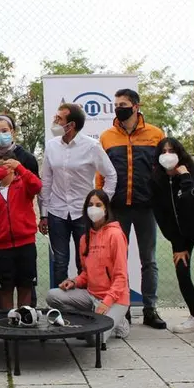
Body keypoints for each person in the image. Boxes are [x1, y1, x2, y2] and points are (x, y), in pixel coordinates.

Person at [98, 89, 167, 329]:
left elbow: (162, 170)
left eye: (123, 103)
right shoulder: (106, 137)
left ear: (136, 106)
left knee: (149, 260)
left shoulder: (156, 134)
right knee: (118, 261)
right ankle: (122, 309)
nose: (119, 108)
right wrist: (101, 202)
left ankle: (150, 309)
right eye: (116, 104)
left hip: (146, 206)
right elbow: (101, 172)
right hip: (117, 208)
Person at [40, 103, 117, 287]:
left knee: (84, 261)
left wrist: (101, 205)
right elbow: (46, 181)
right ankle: (60, 307)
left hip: (83, 213)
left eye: (59, 119)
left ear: (71, 125)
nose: (55, 121)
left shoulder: (91, 146)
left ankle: (84, 306)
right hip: (57, 212)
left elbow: (111, 175)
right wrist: (43, 214)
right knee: (59, 262)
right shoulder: (51, 146)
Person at [151, 138, 194, 342]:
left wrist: (185, 177)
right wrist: (178, 245)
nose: (168, 154)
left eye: (172, 150)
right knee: (182, 269)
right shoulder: (156, 180)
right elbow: (161, 217)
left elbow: (192, 199)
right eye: (164, 151)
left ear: (179, 154)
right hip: (180, 235)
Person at [46, 189, 131, 345]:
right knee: (53, 295)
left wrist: (106, 303)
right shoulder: (85, 238)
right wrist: (74, 282)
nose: (94, 208)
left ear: (106, 208)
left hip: (116, 299)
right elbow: (86, 273)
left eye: (98, 204)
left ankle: (120, 322)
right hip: (91, 296)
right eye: (90, 205)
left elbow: (121, 277)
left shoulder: (116, 235)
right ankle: (92, 318)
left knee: (94, 340)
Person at [0, 151, 42, 310]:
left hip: (26, 245)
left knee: (25, 286)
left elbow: (37, 185)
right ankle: (9, 323)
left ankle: (24, 321)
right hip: (2, 249)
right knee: (5, 288)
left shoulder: (23, 184)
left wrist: (21, 168)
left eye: (2, 164)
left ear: (11, 166)